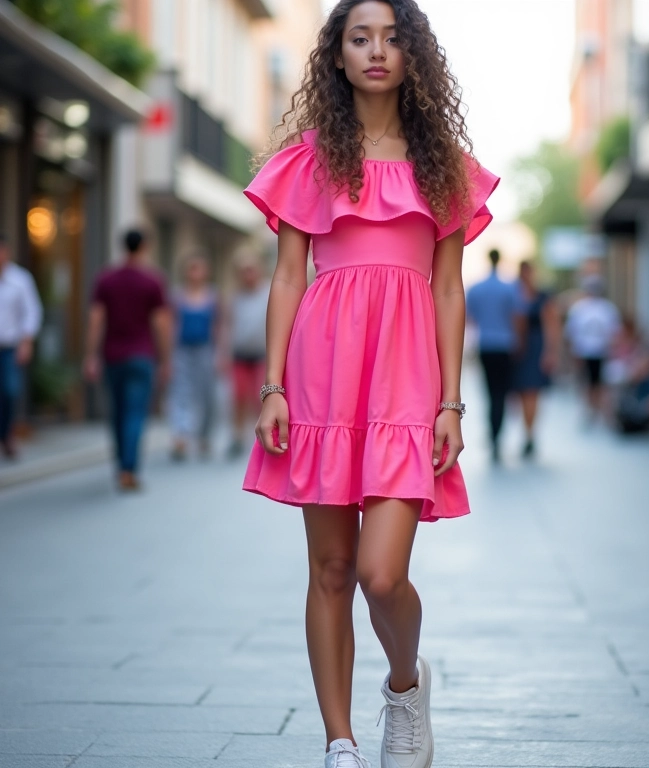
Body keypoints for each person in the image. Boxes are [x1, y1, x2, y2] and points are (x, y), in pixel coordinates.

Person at [242, 2, 498, 766]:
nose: (377, 51)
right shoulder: (307, 159)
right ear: (339, 55)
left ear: (413, 54)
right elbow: (288, 279)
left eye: (392, 37)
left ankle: (404, 685)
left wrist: (452, 401)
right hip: (323, 373)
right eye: (360, 38)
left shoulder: (443, 163)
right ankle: (340, 742)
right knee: (332, 569)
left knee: (384, 576)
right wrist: (274, 385)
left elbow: (449, 289)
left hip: (409, 379)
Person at [84, 229, 172, 491]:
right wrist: (165, 359)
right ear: (144, 247)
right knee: (135, 413)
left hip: (112, 356)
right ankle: (128, 470)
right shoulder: (152, 281)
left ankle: (121, 465)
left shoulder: (106, 279)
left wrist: (91, 355)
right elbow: (161, 324)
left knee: (118, 413)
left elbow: (96, 320)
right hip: (142, 356)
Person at [466, 249, 521, 462]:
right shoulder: (509, 288)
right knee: (502, 394)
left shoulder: (476, 288)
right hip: (505, 346)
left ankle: (493, 433)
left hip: (485, 345)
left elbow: (470, 317)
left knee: (490, 393)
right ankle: (497, 434)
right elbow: (517, 317)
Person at [168, 251, 218, 461]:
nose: (195, 273)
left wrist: (220, 353)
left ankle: (204, 436)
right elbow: (170, 325)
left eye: (199, 268)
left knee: (207, 395)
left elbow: (219, 326)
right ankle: (181, 436)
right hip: (182, 350)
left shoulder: (212, 296)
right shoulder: (177, 296)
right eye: (192, 268)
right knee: (181, 392)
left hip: (205, 350)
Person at [222, 254, 270, 458]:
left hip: (262, 354)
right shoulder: (234, 298)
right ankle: (237, 435)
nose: (248, 275)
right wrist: (223, 352)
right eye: (243, 271)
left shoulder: (268, 293)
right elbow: (227, 327)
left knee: (260, 397)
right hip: (239, 354)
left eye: (251, 269)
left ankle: (261, 435)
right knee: (239, 397)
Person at [0, 233, 43, 459]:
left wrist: (26, 341)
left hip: (9, 346)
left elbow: (32, 312)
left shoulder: (20, 279)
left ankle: (7, 434)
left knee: (8, 391)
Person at [511, 261, 560, 459]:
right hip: (517, 348)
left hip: (535, 348)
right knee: (521, 393)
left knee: (532, 392)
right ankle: (526, 431)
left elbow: (552, 325)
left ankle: (530, 435)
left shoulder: (542, 297)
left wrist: (550, 352)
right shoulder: (513, 294)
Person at [565, 274, 621, 423]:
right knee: (587, 382)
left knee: (599, 382)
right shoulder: (580, 308)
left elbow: (614, 332)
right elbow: (572, 332)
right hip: (584, 351)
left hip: (601, 351)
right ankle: (589, 408)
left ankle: (597, 408)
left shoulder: (607, 308)